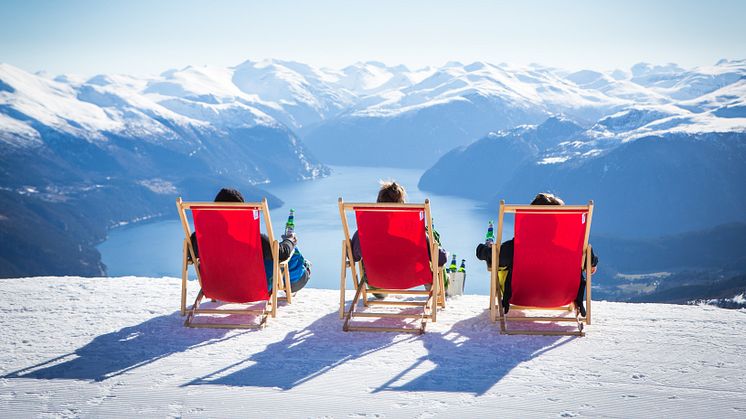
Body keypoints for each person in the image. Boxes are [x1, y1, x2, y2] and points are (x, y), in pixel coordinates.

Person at [475, 192, 598, 316]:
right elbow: (590, 264)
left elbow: (493, 257)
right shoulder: (571, 250)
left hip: (520, 295)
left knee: (500, 266)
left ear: (528, 220)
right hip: (561, 297)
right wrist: (592, 263)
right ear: (557, 225)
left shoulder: (515, 248)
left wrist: (483, 248)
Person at [189, 188, 311, 293]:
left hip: (217, 288)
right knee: (289, 255)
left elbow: (190, 257)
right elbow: (282, 253)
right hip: (251, 290)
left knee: (269, 256)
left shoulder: (198, 239)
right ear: (242, 211)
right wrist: (290, 241)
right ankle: (303, 270)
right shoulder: (253, 239)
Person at [350, 181, 447, 298]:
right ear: (402, 205)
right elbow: (441, 259)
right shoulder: (414, 232)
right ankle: (438, 288)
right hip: (413, 277)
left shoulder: (365, 232)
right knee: (434, 252)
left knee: (366, 261)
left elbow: (353, 256)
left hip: (377, 281)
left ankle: (380, 292)